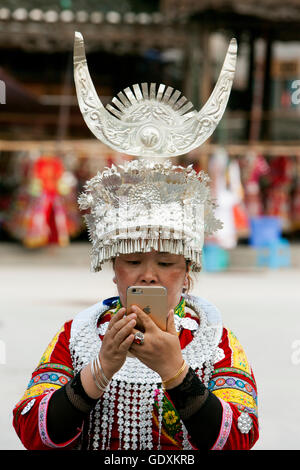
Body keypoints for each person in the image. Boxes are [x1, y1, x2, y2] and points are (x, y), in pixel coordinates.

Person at [13, 33, 258, 450]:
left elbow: (239, 437)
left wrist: (175, 372)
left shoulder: (214, 342)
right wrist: (101, 368)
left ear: (188, 270)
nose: (148, 273)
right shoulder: (78, 335)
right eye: (132, 261)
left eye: (166, 262)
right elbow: (34, 434)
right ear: (113, 268)